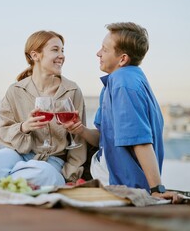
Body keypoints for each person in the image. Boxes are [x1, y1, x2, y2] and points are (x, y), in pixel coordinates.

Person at [0, 30, 87, 186]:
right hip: (17, 155)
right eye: (55, 50)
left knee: (42, 173)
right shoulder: (15, 90)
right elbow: (1, 132)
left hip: (53, 161)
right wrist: (24, 127)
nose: (62, 55)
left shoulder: (72, 90)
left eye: (62, 50)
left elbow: (79, 141)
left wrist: (70, 176)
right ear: (35, 55)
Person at [66, 22, 181, 203]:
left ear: (122, 59)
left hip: (119, 184)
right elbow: (103, 139)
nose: (98, 53)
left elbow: (140, 140)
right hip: (104, 173)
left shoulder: (123, 83)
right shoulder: (121, 80)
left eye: (104, 49)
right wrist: (81, 130)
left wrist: (157, 190)